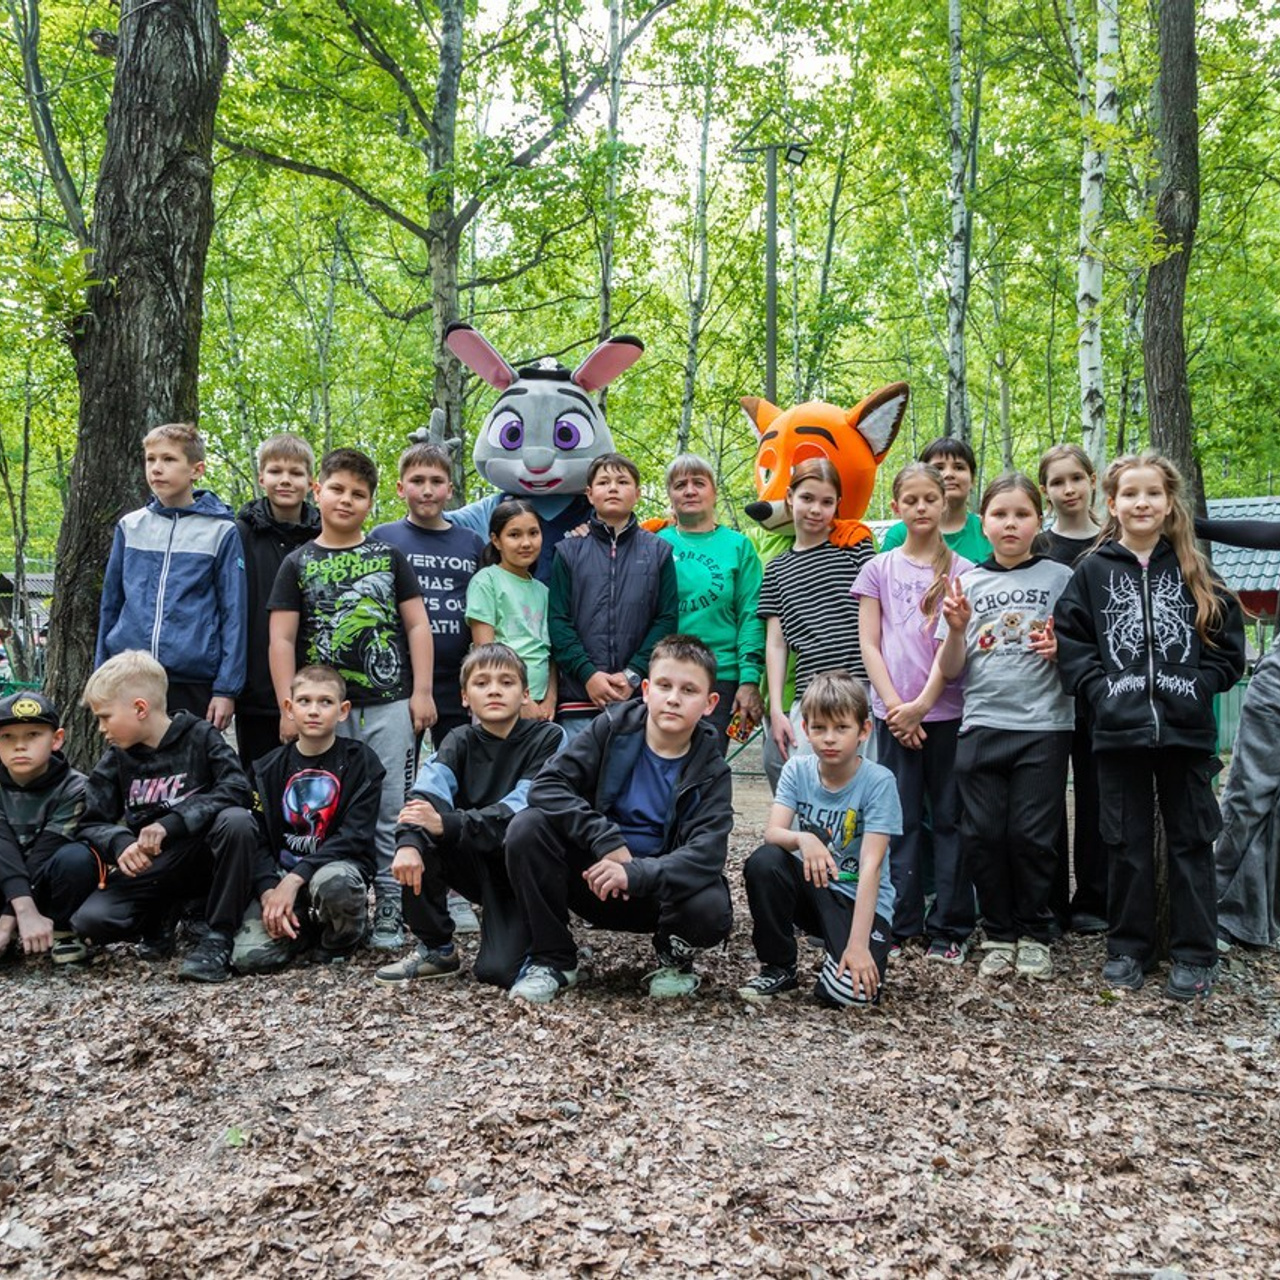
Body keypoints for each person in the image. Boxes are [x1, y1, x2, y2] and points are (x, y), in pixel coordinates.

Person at [1055, 453, 1246, 1000]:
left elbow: (1228, 647)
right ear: (1110, 504)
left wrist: (1201, 686)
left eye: (1153, 494)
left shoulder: (1194, 569)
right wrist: (1099, 694)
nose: (1142, 503)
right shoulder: (1091, 572)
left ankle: (1194, 953)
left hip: (1186, 736)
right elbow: (1073, 646)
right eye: (1131, 495)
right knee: (1127, 843)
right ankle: (1128, 947)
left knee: (1191, 841)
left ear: (1168, 503)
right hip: (1117, 734)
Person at [267, 447, 437, 951]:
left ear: (371, 502)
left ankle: (390, 900)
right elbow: (281, 638)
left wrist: (422, 692)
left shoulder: (387, 556)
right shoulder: (298, 562)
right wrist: (287, 706)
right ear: (317, 492)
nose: (346, 500)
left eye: (358, 494)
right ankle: (329, 901)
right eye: (337, 489)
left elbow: (416, 624)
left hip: (388, 702)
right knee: (322, 807)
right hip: (321, 712)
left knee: (392, 805)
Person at [504, 635, 733, 1002]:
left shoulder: (713, 769)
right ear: (645, 690)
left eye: (689, 690)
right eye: (664, 685)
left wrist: (636, 873)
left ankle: (673, 958)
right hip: (595, 879)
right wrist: (605, 839)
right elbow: (546, 786)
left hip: (659, 896)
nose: (674, 698)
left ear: (710, 704)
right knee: (527, 828)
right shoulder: (611, 727)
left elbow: (708, 854)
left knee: (711, 905)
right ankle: (553, 958)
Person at [934, 474, 1075, 977]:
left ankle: (1036, 931)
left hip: (1045, 726)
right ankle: (998, 932)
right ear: (983, 522)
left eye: (1021, 514)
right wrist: (954, 629)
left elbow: (1082, 653)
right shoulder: (967, 582)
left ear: (1039, 521)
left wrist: (1063, 652)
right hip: (982, 723)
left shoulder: (1061, 578)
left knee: (1032, 835)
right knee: (983, 834)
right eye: (999, 514)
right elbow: (950, 669)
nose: (1010, 523)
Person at [178, 665, 387, 982]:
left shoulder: (362, 762)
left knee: (335, 884)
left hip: (334, 870)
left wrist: (295, 880)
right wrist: (268, 891)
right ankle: (301, 930)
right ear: (289, 708)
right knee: (249, 958)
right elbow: (258, 836)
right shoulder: (266, 769)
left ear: (343, 711)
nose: (313, 711)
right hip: (280, 874)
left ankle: (339, 937)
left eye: (325, 702)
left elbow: (353, 837)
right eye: (304, 701)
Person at [376, 644, 565, 989]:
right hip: (475, 862)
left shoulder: (548, 738)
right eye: (481, 683)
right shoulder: (458, 740)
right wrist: (408, 843)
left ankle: (548, 937)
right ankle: (436, 949)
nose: (494, 689)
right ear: (465, 697)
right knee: (418, 838)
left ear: (525, 695)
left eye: (506, 682)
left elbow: (522, 806)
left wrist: (448, 823)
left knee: (497, 973)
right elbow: (425, 796)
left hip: (523, 869)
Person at [69, 652, 258, 965]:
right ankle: (161, 918)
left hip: (202, 855)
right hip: (153, 866)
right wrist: (120, 843)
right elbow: (88, 822)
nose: (102, 728)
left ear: (140, 708)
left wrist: (174, 822)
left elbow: (238, 789)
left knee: (237, 822)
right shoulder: (116, 757)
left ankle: (219, 935)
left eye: (105, 717)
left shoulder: (200, 736)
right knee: (91, 922)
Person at [853, 463, 970, 952]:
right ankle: (901, 924)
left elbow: (955, 653)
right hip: (892, 716)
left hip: (947, 716)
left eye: (930, 499)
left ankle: (950, 927)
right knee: (897, 822)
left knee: (949, 820)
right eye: (911, 500)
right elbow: (870, 644)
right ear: (896, 506)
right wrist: (898, 707)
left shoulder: (965, 572)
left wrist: (921, 705)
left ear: (945, 504)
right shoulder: (878, 569)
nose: (921, 508)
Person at [738, 672, 902, 1007]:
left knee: (851, 996)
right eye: (819, 728)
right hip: (815, 887)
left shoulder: (879, 782)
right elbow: (774, 832)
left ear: (863, 731)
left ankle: (842, 953)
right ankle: (779, 964)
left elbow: (871, 867)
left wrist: (857, 945)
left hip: (859, 898)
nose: (829, 739)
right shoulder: (797, 770)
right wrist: (804, 840)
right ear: (806, 729)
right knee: (765, 861)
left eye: (841, 728)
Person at [96, 422, 247, 725]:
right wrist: (102, 672)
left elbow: (234, 614)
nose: (157, 468)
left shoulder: (220, 531)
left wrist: (226, 689)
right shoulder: (131, 526)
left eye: (169, 459)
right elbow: (110, 604)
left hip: (192, 680)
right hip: (129, 674)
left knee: (189, 767)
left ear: (196, 469)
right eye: (151, 459)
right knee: (132, 764)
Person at [548, 453, 679, 739]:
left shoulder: (658, 552)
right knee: (579, 781)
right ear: (590, 494)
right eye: (603, 482)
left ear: (637, 493)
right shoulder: (568, 551)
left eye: (623, 481)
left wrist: (633, 673)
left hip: (636, 697)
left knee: (630, 780)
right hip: (579, 697)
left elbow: (667, 619)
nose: (613, 488)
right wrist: (588, 675)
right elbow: (558, 621)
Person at [758, 458, 875, 768]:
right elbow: (777, 642)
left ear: (838, 505)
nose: (815, 510)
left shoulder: (854, 548)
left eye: (826, 502)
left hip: (860, 688)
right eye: (806, 498)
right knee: (808, 784)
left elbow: (877, 616)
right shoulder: (776, 569)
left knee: (862, 786)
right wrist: (777, 711)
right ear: (789, 497)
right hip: (809, 694)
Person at [1037, 443, 1107, 935]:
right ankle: (1050, 902)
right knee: (1045, 800)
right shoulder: (1038, 544)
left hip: (1100, 693)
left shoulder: (1113, 539)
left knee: (1096, 794)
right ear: (1046, 490)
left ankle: (1095, 898)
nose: (1068, 490)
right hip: (1045, 692)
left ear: (1092, 480)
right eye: (1057, 482)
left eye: (1075, 479)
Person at [373, 442, 484, 747]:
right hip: (399, 676)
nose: (427, 490)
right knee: (398, 769)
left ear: (450, 489)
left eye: (436, 482)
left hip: (457, 677)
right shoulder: (383, 538)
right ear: (400, 487)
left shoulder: (472, 543)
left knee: (459, 769)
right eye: (417, 481)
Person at [655, 454, 765, 753]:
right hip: (666, 675)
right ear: (671, 495)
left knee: (706, 772)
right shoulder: (654, 543)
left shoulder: (738, 546)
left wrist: (749, 680)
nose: (690, 491)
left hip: (721, 677)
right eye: (680, 485)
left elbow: (751, 615)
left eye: (699, 483)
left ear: (714, 492)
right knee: (662, 766)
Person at [235, 432, 322, 771]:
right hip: (255, 685)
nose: (285, 480)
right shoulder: (239, 534)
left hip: (315, 684)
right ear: (261, 478)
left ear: (311, 481)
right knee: (259, 780)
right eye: (275, 471)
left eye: (296, 473)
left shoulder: (324, 535)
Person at [0, 692, 98, 965]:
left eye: (32, 735)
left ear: (56, 739)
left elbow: (46, 851)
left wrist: (13, 914)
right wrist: (18, 910)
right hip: (9, 883)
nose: (20, 746)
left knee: (77, 857)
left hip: (43, 885)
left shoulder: (75, 787)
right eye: (7, 737)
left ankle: (62, 930)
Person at [465, 500, 556, 721]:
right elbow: (485, 652)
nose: (526, 543)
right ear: (496, 540)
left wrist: (550, 700)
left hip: (541, 708)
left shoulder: (543, 591)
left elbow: (551, 653)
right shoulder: (486, 581)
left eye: (533, 533)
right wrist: (520, 701)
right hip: (500, 702)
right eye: (514, 535)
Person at [879, 437, 992, 563]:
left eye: (959, 467)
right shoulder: (899, 535)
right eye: (939, 468)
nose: (949, 474)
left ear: (973, 479)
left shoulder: (988, 531)